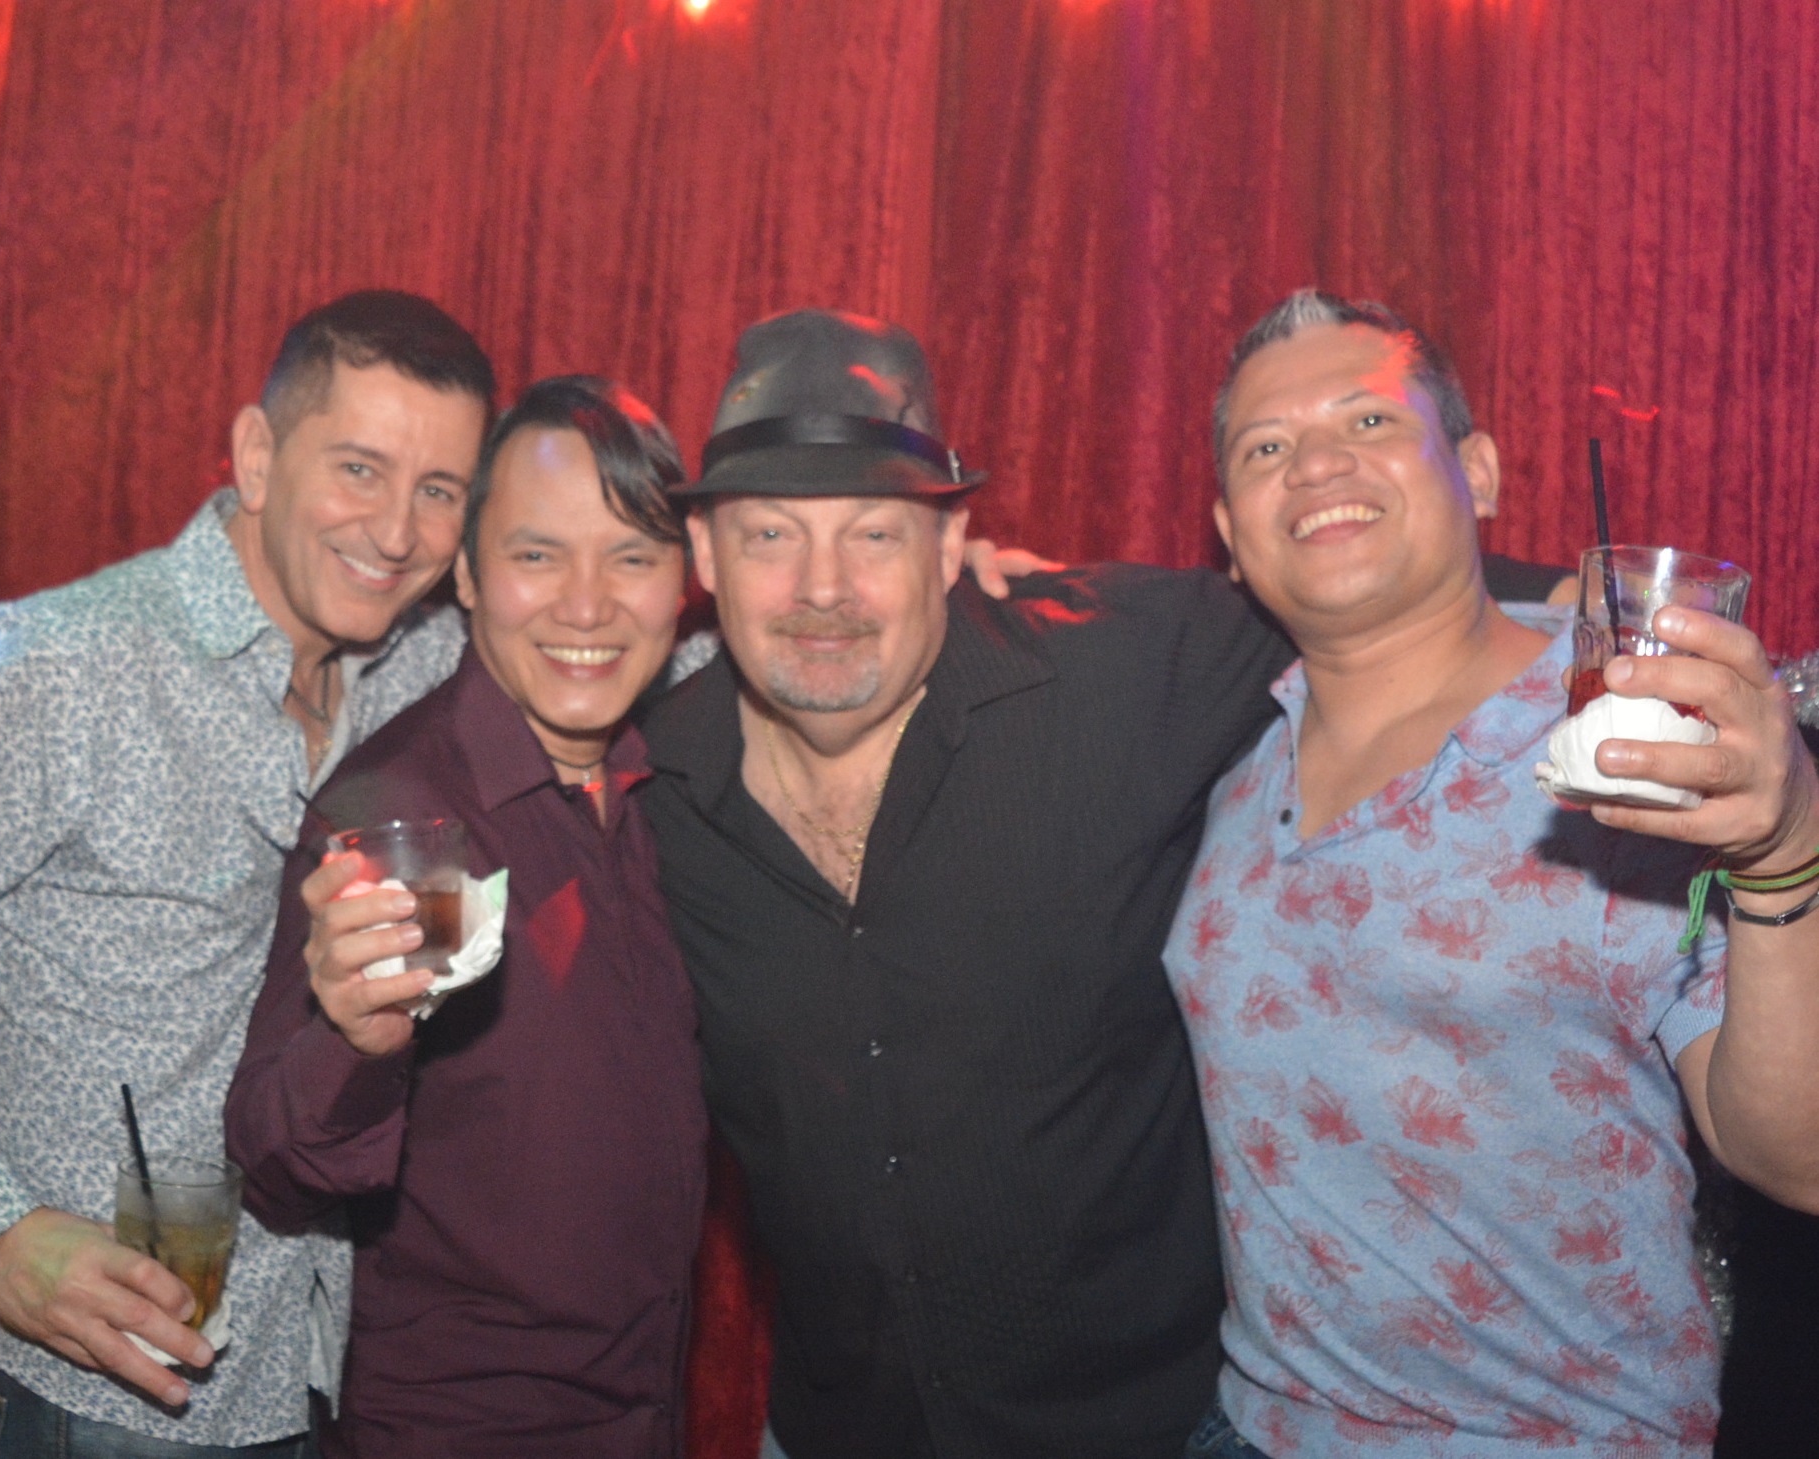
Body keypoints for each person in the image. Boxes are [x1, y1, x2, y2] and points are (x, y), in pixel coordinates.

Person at [0, 290, 495, 1455]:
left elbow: (597, 637)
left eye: (439, 490)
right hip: (81, 1406)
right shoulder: (66, 668)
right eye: (359, 468)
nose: (396, 530)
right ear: (257, 455)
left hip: (309, 1387)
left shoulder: (417, 673)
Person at [1162, 289, 1819, 1458]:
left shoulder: (1626, 737)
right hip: (1253, 1425)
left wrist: (1785, 852)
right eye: (1264, 447)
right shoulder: (1226, 765)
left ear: (1476, 473)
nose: (1313, 463)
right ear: (1227, 530)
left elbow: (1798, 1158)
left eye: (1366, 421)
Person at [637, 308, 1302, 1459]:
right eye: (770, 535)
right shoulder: (647, 791)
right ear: (703, 556)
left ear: (949, 546)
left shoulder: (1116, 677)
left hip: (1140, 1432)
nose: (822, 588)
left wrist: (1626, 661)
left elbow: (1415, 608)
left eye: (874, 534)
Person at [223, 377, 707, 1458]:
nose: (587, 605)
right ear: (470, 578)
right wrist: (356, 1039)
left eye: (631, 558)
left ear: (686, 581)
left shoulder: (661, 780)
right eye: (538, 555)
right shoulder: (415, 823)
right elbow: (274, 1159)